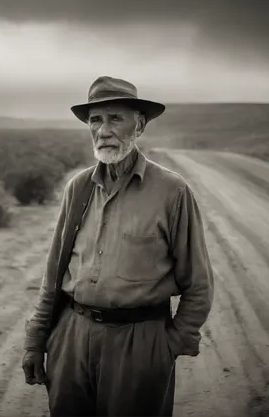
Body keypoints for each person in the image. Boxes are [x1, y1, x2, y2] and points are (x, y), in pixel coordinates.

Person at [22, 75, 214, 416]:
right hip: (72, 336)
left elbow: (198, 284)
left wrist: (168, 346)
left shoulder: (172, 192)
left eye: (116, 118)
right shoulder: (77, 188)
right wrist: (37, 341)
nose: (104, 130)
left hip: (139, 343)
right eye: (96, 120)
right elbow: (53, 276)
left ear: (138, 125)